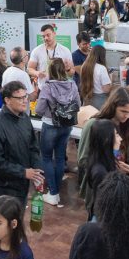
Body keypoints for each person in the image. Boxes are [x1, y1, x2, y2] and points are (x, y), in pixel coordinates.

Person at [0, 82, 44, 207]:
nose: (25, 101)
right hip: (2, 189)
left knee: (17, 223)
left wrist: (37, 173)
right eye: (20, 98)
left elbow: (33, 147)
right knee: (3, 224)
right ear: (7, 100)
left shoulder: (25, 119)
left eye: (25, 96)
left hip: (21, 186)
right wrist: (23, 172)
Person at [35, 58, 80, 206]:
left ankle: (53, 193)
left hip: (50, 124)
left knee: (47, 157)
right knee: (60, 157)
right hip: (67, 125)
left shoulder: (48, 87)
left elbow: (39, 109)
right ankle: (56, 190)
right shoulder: (72, 84)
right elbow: (78, 105)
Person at [79, 44, 112, 110]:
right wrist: (111, 78)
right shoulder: (102, 68)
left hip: (87, 99)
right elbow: (106, 89)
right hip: (100, 101)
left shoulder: (84, 66)